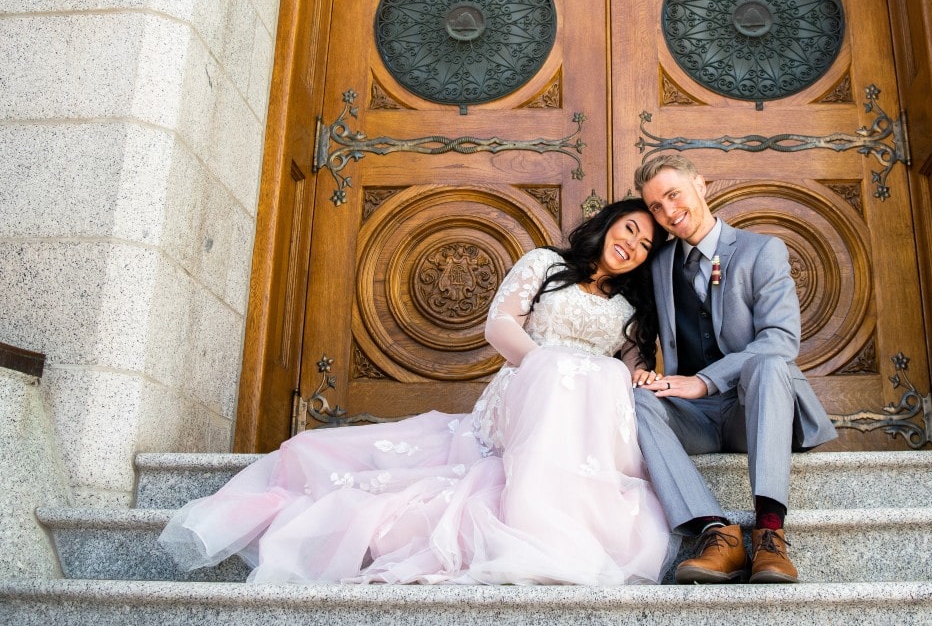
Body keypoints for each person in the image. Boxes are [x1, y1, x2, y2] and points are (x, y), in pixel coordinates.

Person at [159, 198, 672, 585]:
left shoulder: (630, 309)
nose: (632, 244)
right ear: (608, 225)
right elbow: (500, 326)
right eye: (630, 229)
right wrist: (545, 366)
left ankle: (559, 518)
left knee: (600, 389)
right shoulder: (544, 265)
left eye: (645, 245)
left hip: (578, 419)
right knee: (559, 379)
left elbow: (630, 364)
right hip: (526, 390)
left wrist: (640, 374)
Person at [627, 154, 837, 584]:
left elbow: (781, 339)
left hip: (753, 409)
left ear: (700, 185)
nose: (668, 212)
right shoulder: (656, 264)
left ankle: (770, 534)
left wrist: (705, 382)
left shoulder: (762, 250)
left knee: (767, 364)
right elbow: (635, 331)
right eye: (655, 207)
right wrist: (642, 369)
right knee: (636, 398)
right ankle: (716, 532)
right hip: (698, 422)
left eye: (673, 195)